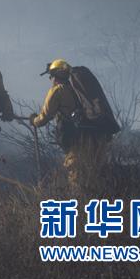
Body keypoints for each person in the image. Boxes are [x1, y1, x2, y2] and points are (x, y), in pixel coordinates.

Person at [29, 59, 116, 190]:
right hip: (96, 137)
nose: (50, 79)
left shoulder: (57, 90)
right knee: (96, 175)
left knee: (77, 176)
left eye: (50, 76)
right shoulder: (79, 89)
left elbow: (44, 117)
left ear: (55, 76)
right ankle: (102, 204)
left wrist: (33, 120)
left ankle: (80, 206)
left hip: (77, 141)